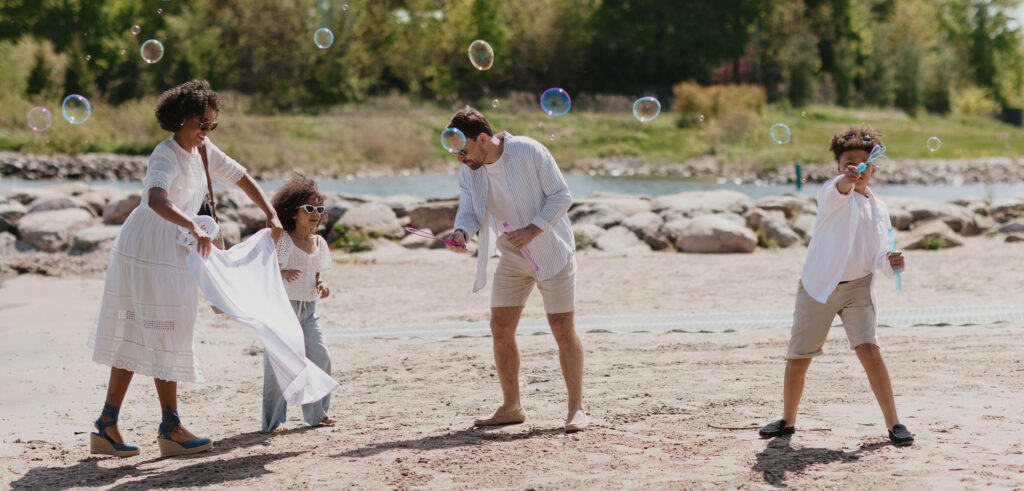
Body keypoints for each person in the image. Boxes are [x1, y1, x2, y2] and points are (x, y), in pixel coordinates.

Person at [87, 80, 284, 457]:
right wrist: (192, 224)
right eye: (202, 124)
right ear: (181, 120)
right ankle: (145, 426)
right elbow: (156, 199)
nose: (207, 131)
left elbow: (241, 176)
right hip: (146, 247)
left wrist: (270, 213)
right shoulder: (165, 154)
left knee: (167, 331)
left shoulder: (205, 150)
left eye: (212, 124)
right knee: (144, 332)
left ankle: (122, 425)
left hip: (175, 250)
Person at [758, 124, 913, 445]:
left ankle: (894, 423)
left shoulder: (878, 207)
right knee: (799, 356)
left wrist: (892, 262)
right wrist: (846, 179)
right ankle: (787, 420)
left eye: (863, 163)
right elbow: (841, 188)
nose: (857, 169)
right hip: (819, 286)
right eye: (848, 164)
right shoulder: (832, 192)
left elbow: (878, 255)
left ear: (875, 165)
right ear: (838, 168)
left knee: (870, 349)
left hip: (859, 286)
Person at [445, 106, 586, 432]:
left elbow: (562, 196)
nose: (459, 159)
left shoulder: (529, 150)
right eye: (455, 152)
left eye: (463, 150)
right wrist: (460, 232)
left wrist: (533, 229)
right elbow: (469, 210)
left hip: (552, 252)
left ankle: (576, 409)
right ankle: (512, 407)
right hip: (511, 256)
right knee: (500, 326)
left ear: (482, 139)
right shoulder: (470, 169)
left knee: (562, 328)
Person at [262, 173, 335, 432]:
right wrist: (281, 274)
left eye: (319, 209)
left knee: (321, 358)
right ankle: (275, 421)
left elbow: (317, 272)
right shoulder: (283, 241)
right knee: (277, 366)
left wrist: (321, 284)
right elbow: (265, 270)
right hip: (283, 309)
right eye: (308, 208)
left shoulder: (318, 242)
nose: (315, 214)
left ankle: (317, 414)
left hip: (309, 310)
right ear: (293, 213)